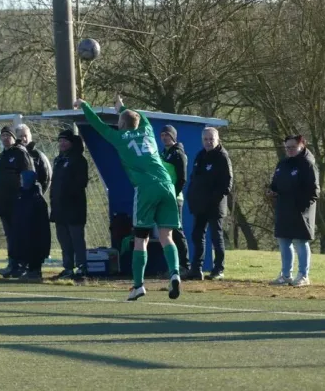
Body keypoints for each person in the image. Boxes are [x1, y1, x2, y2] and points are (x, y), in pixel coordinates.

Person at [74, 94, 182, 301]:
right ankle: (175, 273)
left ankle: (138, 285)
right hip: (167, 185)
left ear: (121, 124)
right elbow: (138, 115)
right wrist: (122, 107)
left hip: (146, 188)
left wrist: (84, 105)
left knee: (140, 239)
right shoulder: (148, 129)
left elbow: (97, 125)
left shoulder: (118, 137)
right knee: (167, 236)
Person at [267, 134, 319, 287]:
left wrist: (302, 206)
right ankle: (285, 275)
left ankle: (303, 275)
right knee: (283, 241)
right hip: (284, 208)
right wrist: (272, 191)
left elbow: (314, 190)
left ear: (301, 146)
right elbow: (275, 183)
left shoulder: (308, 164)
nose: (289, 150)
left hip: (301, 210)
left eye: (292, 147)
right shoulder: (282, 164)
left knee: (300, 241)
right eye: (287, 147)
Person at [187, 127, 233, 281]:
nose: (208, 142)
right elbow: (194, 179)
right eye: (205, 139)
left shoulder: (222, 157)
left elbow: (227, 184)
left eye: (211, 139)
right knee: (197, 236)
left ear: (217, 139)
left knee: (216, 237)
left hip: (214, 206)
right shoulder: (200, 155)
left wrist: (213, 199)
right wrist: (192, 198)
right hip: (200, 206)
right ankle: (196, 269)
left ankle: (218, 269)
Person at [0, 126, 34, 277]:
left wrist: (23, 196)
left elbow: (28, 175)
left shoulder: (19, 153)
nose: (5, 138)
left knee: (20, 234)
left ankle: (23, 265)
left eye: (7, 135)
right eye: (2, 135)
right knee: (10, 235)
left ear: (13, 137)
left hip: (17, 203)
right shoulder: (2, 155)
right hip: (4, 204)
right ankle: (12, 264)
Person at [50, 130, 89, 280]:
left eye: (65, 141)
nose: (62, 143)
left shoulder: (79, 160)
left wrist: (67, 196)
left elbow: (81, 183)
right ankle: (68, 268)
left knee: (76, 239)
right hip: (59, 209)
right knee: (64, 240)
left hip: (74, 208)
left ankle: (81, 268)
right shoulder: (58, 160)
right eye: (60, 141)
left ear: (72, 143)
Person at [159, 125, 190, 276]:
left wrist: (173, 193)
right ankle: (173, 267)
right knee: (166, 233)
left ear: (173, 136)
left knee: (177, 231)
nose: (165, 137)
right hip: (163, 197)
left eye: (167, 135)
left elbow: (182, 178)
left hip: (175, 198)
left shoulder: (178, 154)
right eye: (162, 135)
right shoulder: (163, 153)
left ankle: (185, 265)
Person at [10, 170, 51, 281]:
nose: (21, 182)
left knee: (33, 250)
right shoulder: (21, 195)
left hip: (34, 234)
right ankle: (28, 270)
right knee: (23, 249)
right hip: (23, 232)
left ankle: (35, 271)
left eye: (23, 180)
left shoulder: (36, 198)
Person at [15, 124, 52, 195]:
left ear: (30, 136)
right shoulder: (13, 155)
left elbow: (47, 178)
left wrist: (38, 195)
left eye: (25, 136)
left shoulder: (38, 155)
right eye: (20, 136)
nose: (23, 139)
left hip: (33, 199)